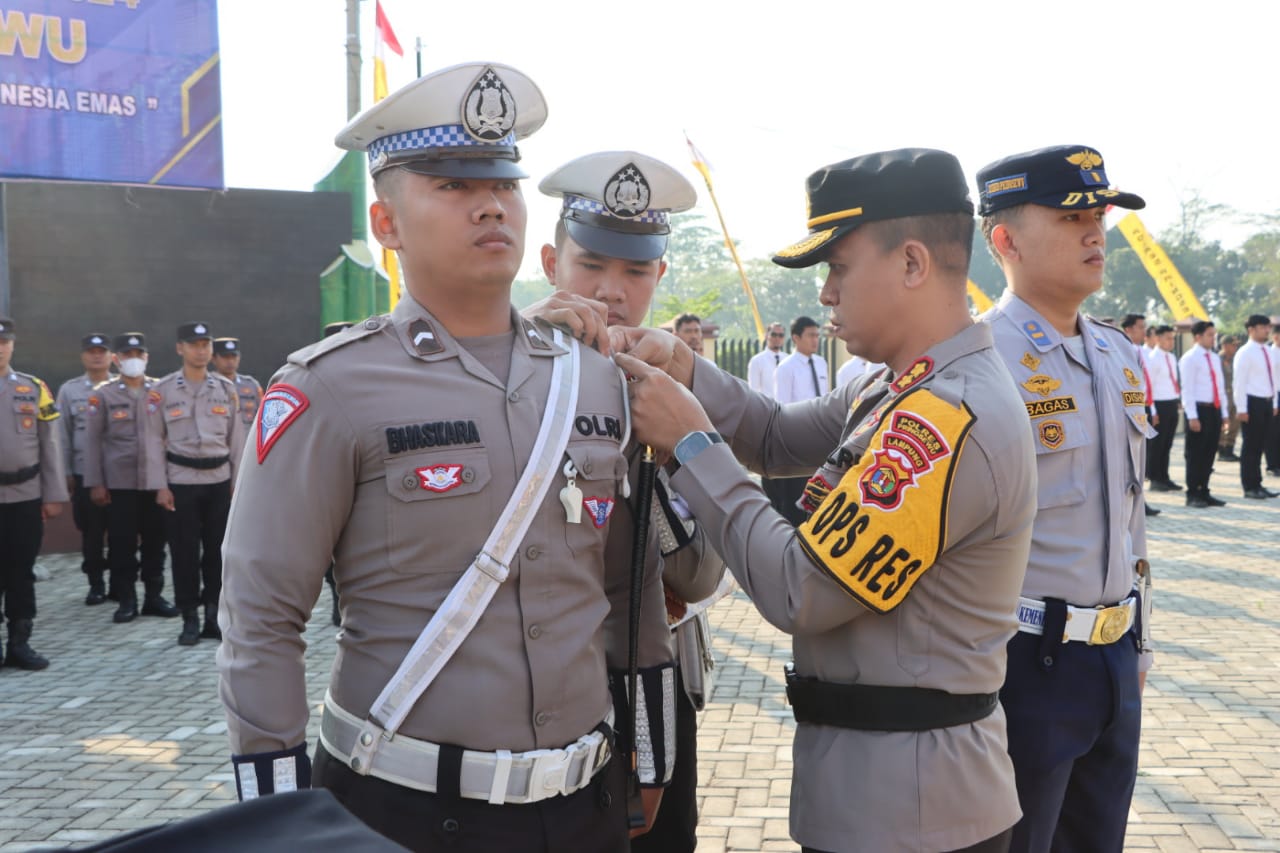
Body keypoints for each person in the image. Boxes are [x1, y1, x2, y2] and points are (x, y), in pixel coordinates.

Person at [216, 63, 675, 853]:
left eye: (503, 182)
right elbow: (261, 620)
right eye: (451, 186)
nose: (491, 203)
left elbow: (630, 591)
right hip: (403, 814)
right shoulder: (330, 388)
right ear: (386, 223)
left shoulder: (592, 377)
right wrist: (280, 822)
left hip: (582, 806)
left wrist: (652, 752)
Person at [615, 147, 1036, 853]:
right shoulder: (896, 383)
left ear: (911, 264)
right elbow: (775, 436)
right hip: (881, 793)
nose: (825, 294)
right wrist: (683, 365)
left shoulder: (947, 416)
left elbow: (800, 589)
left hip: (913, 813)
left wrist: (691, 446)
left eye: (838, 267)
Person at [529, 150, 729, 853]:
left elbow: (703, 572)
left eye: (636, 271)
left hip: (657, 684)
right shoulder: (510, 373)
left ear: (660, 277)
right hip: (541, 688)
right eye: (592, 265)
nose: (613, 291)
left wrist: (656, 452)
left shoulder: (669, 389)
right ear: (552, 260)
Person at [976, 144, 1153, 852]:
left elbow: (1132, 514)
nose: (1094, 232)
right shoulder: (979, 359)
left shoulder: (1118, 354)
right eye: (1072, 215)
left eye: (1100, 215)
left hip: (1114, 660)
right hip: (1027, 662)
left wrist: (1141, 634)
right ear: (1005, 239)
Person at [145, 322, 245, 645]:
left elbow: (237, 440)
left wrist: (238, 481)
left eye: (206, 344)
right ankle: (189, 616)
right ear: (180, 348)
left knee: (217, 552)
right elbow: (153, 441)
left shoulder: (225, 389)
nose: (201, 350)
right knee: (184, 552)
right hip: (181, 482)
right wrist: (159, 485)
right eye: (194, 344)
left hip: (218, 480)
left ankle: (214, 617)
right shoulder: (162, 391)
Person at [83, 333, 180, 623]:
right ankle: (126, 599)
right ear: (117, 359)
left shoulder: (159, 391)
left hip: (155, 481)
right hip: (119, 482)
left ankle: (154, 596)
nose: (133, 359)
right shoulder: (103, 394)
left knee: (155, 541)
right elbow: (92, 441)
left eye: (138, 353)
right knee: (122, 543)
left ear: (147, 357)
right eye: (127, 354)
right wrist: (96, 482)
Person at [0, 316, 69, 670]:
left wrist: (53, 494)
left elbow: (50, 445)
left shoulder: (33, 388)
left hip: (25, 495)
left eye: (4, 342)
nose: (0, 348)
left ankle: (19, 641)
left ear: (12, 345)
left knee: (21, 571)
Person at [56, 333, 115, 605]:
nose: (96, 355)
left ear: (111, 356)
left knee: (120, 531)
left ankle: (118, 582)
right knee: (91, 531)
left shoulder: (121, 387)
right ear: (83, 356)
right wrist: (65, 473)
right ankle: (95, 583)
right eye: (91, 351)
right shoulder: (70, 390)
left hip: (118, 474)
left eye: (102, 351)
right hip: (83, 473)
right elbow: (63, 436)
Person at [765, 316, 828, 526]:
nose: (815, 340)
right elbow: (782, 407)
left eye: (817, 335)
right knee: (796, 500)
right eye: (810, 335)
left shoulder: (821, 363)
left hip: (820, 437)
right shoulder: (786, 367)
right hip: (797, 439)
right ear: (796, 338)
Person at [1180, 320, 1228, 508]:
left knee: (1209, 453)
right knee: (1195, 454)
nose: (1213, 339)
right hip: (1198, 410)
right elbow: (1187, 390)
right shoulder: (1189, 358)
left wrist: (1223, 413)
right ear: (1197, 336)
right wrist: (1192, 416)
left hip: (1214, 409)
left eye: (1214, 335)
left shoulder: (1214, 358)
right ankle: (1192, 493)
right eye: (1210, 335)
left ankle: (1204, 491)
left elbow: (1221, 388)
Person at [1232, 316, 1278, 499]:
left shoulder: (1268, 351)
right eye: (1262, 327)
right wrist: (1241, 408)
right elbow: (1239, 383)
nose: (1266, 330)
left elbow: (1273, 379)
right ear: (1251, 329)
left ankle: (1258, 483)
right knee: (1251, 446)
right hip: (1252, 402)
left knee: (1260, 445)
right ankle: (1249, 486)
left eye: (1267, 327)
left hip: (1267, 401)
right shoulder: (1245, 352)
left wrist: (1274, 402)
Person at [1120, 314, 1160, 516]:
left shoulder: (1138, 351)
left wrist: (1150, 409)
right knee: (1131, 459)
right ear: (1128, 329)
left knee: (1141, 457)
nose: (1144, 331)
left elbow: (1144, 384)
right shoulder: (1121, 351)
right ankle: (1134, 503)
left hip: (1142, 407)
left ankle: (1140, 501)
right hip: (1129, 409)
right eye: (1140, 327)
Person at [1145, 325, 1182, 491]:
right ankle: (1155, 478)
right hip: (1159, 404)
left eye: (1173, 338)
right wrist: (1152, 410)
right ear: (1158, 338)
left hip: (1171, 402)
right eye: (1168, 338)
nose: (1171, 341)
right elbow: (1148, 386)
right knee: (1157, 444)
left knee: (1167, 443)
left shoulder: (1171, 358)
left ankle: (1164, 476)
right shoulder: (1152, 358)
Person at [212, 337, 264, 428]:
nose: (230, 361)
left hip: (247, 438)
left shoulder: (251, 385)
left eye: (234, 356)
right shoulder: (208, 385)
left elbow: (263, 414)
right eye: (225, 357)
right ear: (214, 358)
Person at [1217, 334, 1242, 461]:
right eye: (1233, 345)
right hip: (1223, 396)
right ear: (1225, 346)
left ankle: (1229, 449)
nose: (1235, 347)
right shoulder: (1217, 359)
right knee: (1223, 425)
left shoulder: (1236, 359)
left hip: (1234, 395)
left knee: (1234, 424)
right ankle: (1221, 451)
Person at [747, 322, 787, 396]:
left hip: (787, 406)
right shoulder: (757, 361)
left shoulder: (787, 359)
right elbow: (753, 390)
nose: (777, 338)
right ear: (766, 336)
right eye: (774, 335)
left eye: (781, 335)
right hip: (766, 406)